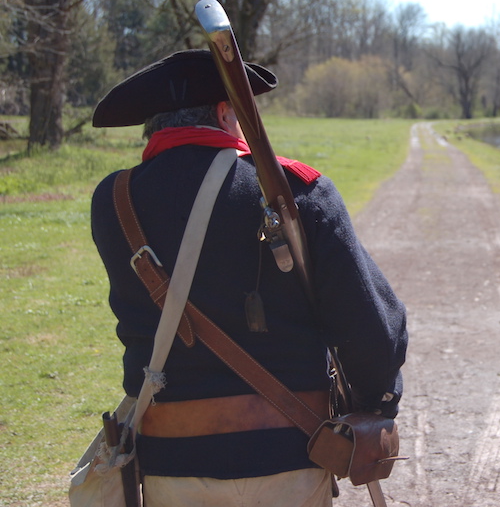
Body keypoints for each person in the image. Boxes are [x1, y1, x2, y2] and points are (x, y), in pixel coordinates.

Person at [90, 50, 407, 507]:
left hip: (168, 465)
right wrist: (378, 405)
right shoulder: (297, 192)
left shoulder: (112, 201)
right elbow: (373, 333)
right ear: (224, 112)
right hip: (291, 458)